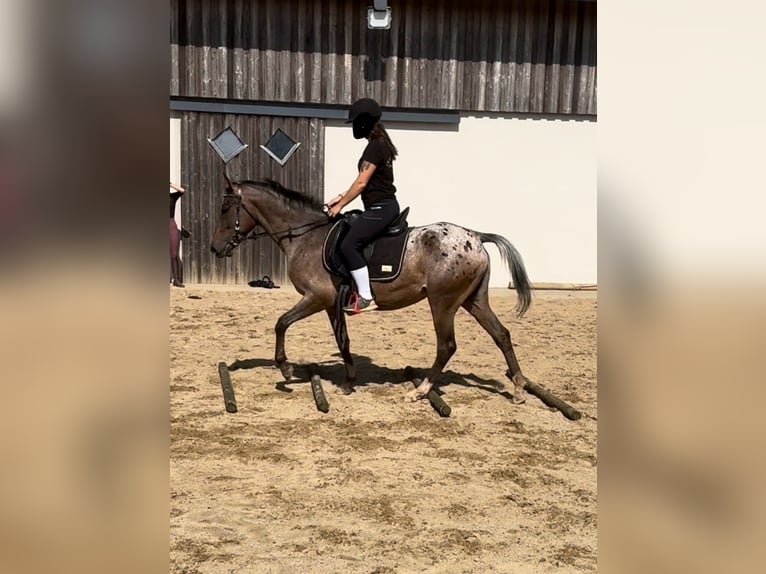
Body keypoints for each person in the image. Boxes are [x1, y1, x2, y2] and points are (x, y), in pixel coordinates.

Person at [326, 98, 400, 314]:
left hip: (382, 208)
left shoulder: (375, 147)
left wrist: (340, 206)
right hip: (383, 206)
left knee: (348, 244)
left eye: (356, 122)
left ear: (365, 122)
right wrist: (339, 196)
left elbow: (361, 183)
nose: (354, 127)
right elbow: (367, 183)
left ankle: (366, 297)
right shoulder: (380, 144)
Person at [169, 181, 186, 287]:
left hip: (170, 223)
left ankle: (176, 279)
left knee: (174, 254)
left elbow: (182, 190)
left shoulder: (172, 197)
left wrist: (170, 184)